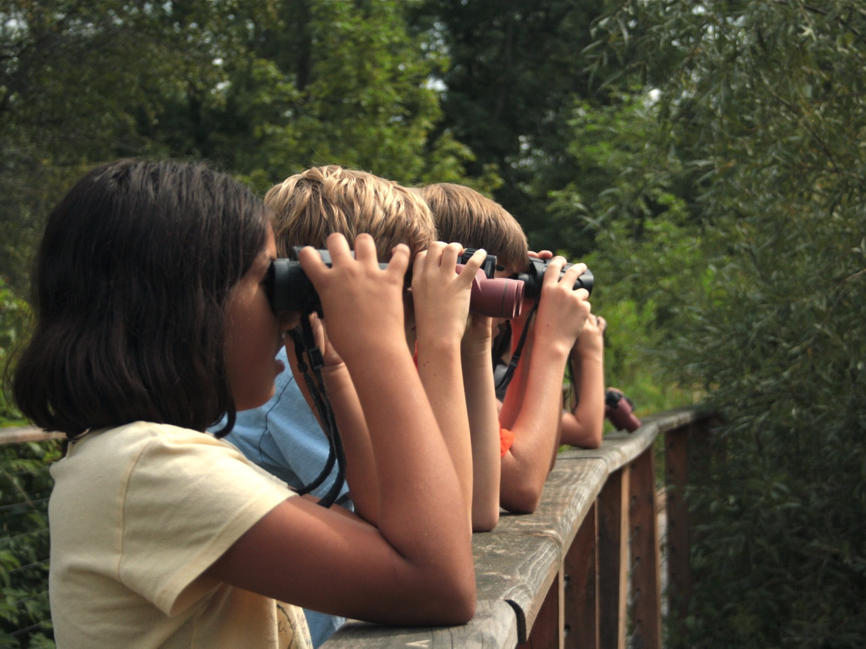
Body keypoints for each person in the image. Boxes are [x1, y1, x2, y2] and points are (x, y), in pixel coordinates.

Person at [11, 160, 476, 647]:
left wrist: (334, 369)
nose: (287, 311)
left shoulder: (149, 457)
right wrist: (386, 346)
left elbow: (390, 525)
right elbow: (440, 582)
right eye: (265, 281)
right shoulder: (149, 465)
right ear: (189, 305)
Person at [225, 165, 496, 643]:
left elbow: (465, 516)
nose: (421, 295)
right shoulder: (285, 378)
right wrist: (438, 341)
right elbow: (456, 527)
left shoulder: (330, 364)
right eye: (406, 279)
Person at [419, 183, 601, 515]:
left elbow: (522, 456)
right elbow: (521, 485)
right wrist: (554, 344)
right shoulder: (423, 353)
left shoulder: (441, 350)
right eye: (509, 274)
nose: (518, 288)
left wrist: (528, 330)